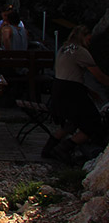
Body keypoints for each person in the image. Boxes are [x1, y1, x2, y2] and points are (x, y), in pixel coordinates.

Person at [43, 25, 109, 164]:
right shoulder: (80, 51)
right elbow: (99, 76)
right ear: (83, 37)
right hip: (72, 92)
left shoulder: (63, 48)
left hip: (58, 88)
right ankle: (64, 148)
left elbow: (68, 73)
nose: (89, 42)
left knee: (71, 123)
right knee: (94, 123)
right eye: (88, 39)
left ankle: (48, 148)